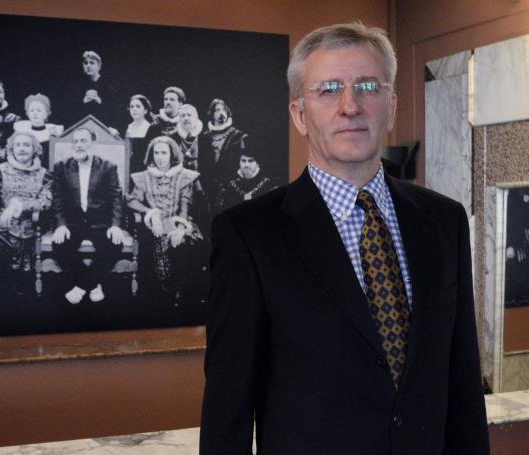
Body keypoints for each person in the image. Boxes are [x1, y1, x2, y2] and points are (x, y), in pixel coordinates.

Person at [200, 22, 489, 454]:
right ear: (300, 115)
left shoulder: (445, 221)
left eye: (368, 87)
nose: (350, 106)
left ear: (391, 108)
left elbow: (463, 386)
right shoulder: (248, 234)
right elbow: (228, 411)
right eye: (329, 90)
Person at [0, 131, 53, 299]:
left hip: (30, 230)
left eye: (26, 145)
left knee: (22, 285)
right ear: (11, 149)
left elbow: (45, 201)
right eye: (18, 145)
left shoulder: (45, 175)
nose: (22, 149)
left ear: (34, 149)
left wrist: (19, 205)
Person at [51, 127, 123, 304]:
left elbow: (116, 198)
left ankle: (81, 286)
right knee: (59, 245)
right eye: (75, 141)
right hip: (72, 223)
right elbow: (57, 198)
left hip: (100, 223)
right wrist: (61, 224)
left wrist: (115, 225)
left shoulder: (108, 167)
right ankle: (93, 284)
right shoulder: (61, 166)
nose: (78, 145)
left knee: (115, 244)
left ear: (93, 143)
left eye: (83, 141)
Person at [127, 136, 201, 303]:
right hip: (154, 226)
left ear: (172, 154)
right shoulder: (144, 176)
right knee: (150, 250)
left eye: (164, 153)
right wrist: (151, 213)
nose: (159, 157)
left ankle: (179, 294)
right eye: (156, 153)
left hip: (179, 223)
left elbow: (185, 205)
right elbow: (132, 200)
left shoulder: (184, 176)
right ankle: (157, 298)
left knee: (181, 249)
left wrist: (180, 229)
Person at [199, 98, 249, 202]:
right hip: (209, 187)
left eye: (223, 109)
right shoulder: (204, 137)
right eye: (217, 110)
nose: (221, 113)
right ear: (212, 114)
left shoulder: (238, 136)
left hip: (231, 186)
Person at [214, 142, 277, 211]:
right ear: (239, 162)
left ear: (257, 163)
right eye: (243, 161)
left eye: (251, 161)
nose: (246, 165)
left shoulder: (269, 185)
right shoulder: (229, 186)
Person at [13, 93, 64, 168]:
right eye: (32, 110)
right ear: (28, 114)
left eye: (39, 110)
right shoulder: (23, 130)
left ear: (46, 114)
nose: (35, 113)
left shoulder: (53, 130)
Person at [124, 94, 159, 175]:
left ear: (145, 110)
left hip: (144, 170)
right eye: (132, 107)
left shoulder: (151, 129)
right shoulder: (128, 128)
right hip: (128, 169)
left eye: (138, 106)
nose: (134, 109)